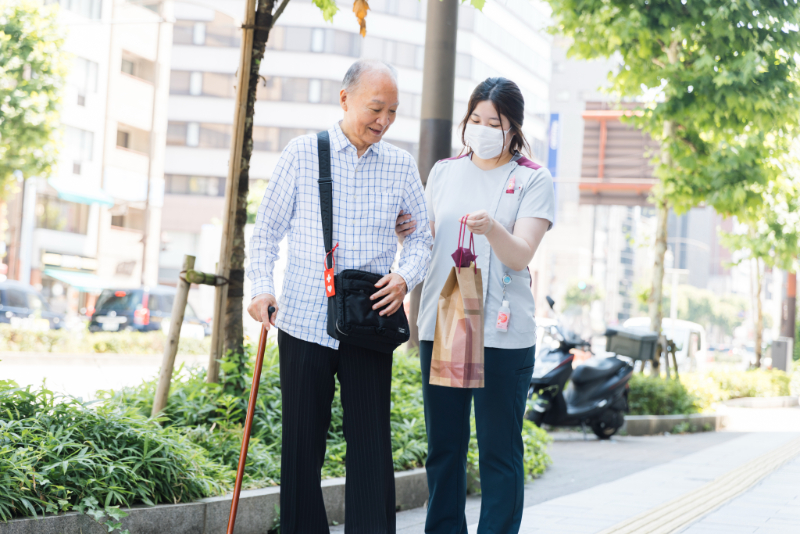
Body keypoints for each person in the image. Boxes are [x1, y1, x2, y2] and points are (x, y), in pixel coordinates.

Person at [246, 59, 433, 534]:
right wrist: (261, 288)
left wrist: (405, 277)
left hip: (369, 321)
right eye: (376, 108)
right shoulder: (302, 154)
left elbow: (422, 239)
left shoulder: (401, 165)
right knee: (301, 446)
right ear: (345, 98)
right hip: (304, 320)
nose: (384, 121)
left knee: (371, 445)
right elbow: (266, 232)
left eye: (392, 111)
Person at [397, 77, 554, 534]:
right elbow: (425, 242)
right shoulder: (444, 171)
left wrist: (491, 230)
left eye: (495, 123)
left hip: (503, 329)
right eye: (476, 119)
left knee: (498, 448)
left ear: (513, 129)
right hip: (447, 318)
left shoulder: (532, 178)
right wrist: (406, 235)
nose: (482, 129)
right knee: (444, 446)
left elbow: (521, 254)